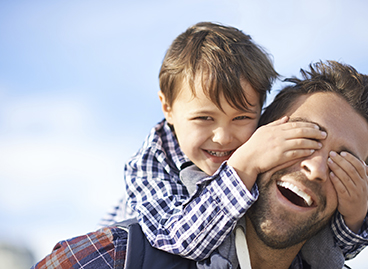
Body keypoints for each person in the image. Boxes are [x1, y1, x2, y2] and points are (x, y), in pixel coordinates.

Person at [31, 60, 368, 268]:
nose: (317, 168)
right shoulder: (115, 256)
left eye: (345, 163)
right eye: (303, 138)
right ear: (257, 136)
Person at [100, 22, 366, 261]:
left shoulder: (267, 156)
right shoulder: (151, 165)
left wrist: (354, 217)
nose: (223, 137)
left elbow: (320, 245)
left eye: (240, 117)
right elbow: (174, 240)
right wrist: (243, 166)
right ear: (167, 107)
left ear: (261, 112)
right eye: (204, 118)